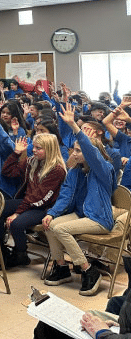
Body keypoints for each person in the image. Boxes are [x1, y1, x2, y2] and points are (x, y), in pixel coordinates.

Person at [43, 103, 116, 296]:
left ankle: (88, 269)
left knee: (61, 228)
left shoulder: (103, 169)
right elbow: (65, 195)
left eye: (78, 150)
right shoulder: (76, 171)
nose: (73, 154)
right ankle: (61, 268)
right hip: (82, 215)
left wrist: (75, 127)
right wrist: (51, 213)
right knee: (50, 224)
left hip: (100, 219)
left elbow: (91, 153)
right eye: (74, 150)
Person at [0, 134, 66, 269]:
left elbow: (39, 197)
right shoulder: (32, 161)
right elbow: (8, 172)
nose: (33, 150)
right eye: (33, 147)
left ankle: (20, 255)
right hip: (28, 202)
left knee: (16, 224)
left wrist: (17, 213)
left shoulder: (57, 170)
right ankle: (0, 249)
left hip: (44, 208)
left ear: (49, 149)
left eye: (38, 148)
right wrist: (16, 153)